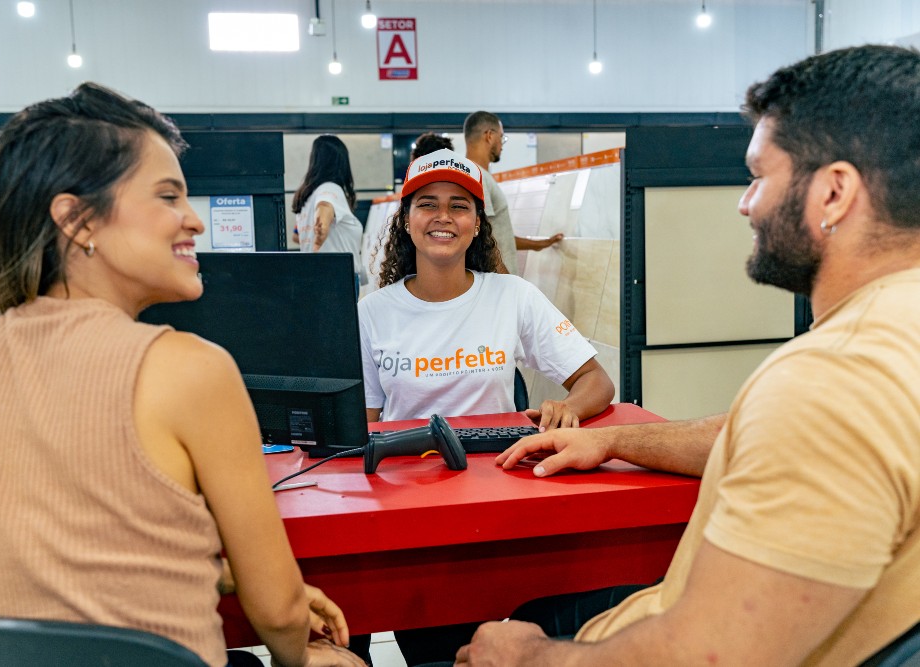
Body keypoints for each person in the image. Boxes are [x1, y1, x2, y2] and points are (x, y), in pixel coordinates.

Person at [455, 44, 920, 666]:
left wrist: (525, 658)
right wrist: (617, 442)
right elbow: (766, 436)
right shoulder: (892, 341)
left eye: (759, 176)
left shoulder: (834, 377)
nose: (744, 203)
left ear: (834, 192)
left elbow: (705, 656)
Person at [0, 83, 365, 667]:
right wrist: (305, 654)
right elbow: (281, 613)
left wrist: (222, 575)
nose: (193, 219)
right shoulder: (189, 370)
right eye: (168, 197)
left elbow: (65, 552)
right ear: (76, 219)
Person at [359, 148, 613, 430]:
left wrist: (568, 407)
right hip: (405, 469)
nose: (443, 216)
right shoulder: (371, 312)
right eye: (428, 204)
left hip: (497, 466)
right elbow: (362, 426)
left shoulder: (514, 296)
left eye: (458, 206)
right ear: (407, 219)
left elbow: (596, 380)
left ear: (477, 222)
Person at [463, 111, 564, 275]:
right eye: (501, 138)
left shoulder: (479, 174)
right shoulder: (476, 175)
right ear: (489, 136)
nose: (502, 144)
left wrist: (540, 244)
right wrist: (508, 283)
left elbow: (501, 236)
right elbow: (482, 238)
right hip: (497, 282)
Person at [292, 135, 366, 292]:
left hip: (314, 275)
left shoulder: (305, 196)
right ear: (341, 162)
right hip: (337, 278)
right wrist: (322, 232)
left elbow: (296, 236)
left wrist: (317, 239)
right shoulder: (330, 189)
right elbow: (324, 208)